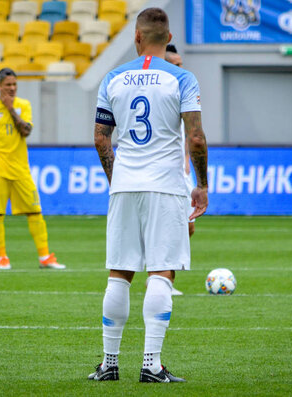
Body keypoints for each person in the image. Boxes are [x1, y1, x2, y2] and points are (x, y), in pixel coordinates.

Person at [88, 8, 209, 383]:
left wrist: (116, 179)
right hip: (165, 185)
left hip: (124, 184)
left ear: (137, 37)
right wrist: (201, 184)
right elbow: (196, 138)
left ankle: (109, 364)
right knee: (162, 270)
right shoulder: (182, 79)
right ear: (167, 35)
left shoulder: (112, 77)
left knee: (119, 273)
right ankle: (151, 365)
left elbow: (100, 137)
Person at [0, 68, 66, 270]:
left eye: (14, 84)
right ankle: (2, 258)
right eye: (8, 85)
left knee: (35, 212)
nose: (12, 88)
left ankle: (45, 257)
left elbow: (26, 131)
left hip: (21, 168)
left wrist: (10, 109)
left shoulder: (23, 105)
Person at [165, 43, 193, 296]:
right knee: (175, 226)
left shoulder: (184, 90)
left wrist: (186, 158)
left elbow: (188, 130)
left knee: (189, 226)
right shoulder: (162, 93)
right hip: (165, 173)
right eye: (175, 66)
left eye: (182, 65)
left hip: (182, 170)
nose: (181, 69)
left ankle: (163, 278)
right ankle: (163, 280)